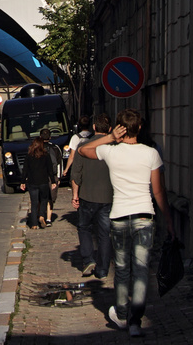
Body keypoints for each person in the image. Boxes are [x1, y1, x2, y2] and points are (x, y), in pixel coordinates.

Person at [78, 108, 174, 337]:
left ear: (120, 128)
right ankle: (135, 322)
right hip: (144, 216)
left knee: (121, 269)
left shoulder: (111, 152)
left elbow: (83, 150)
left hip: (119, 216)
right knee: (141, 270)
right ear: (139, 128)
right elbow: (159, 191)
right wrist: (169, 220)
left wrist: (110, 138)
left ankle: (121, 313)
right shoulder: (151, 153)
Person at [70, 112, 113, 279]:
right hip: (108, 197)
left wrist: (75, 195)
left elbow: (76, 174)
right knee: (104, 234)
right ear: (109, 128)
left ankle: (88, 259)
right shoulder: (113, 148)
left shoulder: (84, 147)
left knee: (84, 228)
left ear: (94, 127)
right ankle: (102, 269)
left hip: (87, 195)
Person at [20, 136, 55, 228]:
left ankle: (34, 224)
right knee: (44, 200)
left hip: (32, 182)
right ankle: (42, 216)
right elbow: (50, 169)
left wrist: (22, 182)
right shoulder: (46, 155)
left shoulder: (29, 156)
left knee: (34, 202)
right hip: (43, 181)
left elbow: (25, 170)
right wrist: (53, 181)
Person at [39, 126, 63, 224]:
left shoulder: (37, 148)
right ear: (50, 137)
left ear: (40, 137)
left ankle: (41, 215)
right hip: (52, 176)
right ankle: (49, 219)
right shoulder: (55, 148)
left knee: (40, 197)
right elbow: (59, 163)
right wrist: (59, 177)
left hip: (40, 176)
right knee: (51, 199)